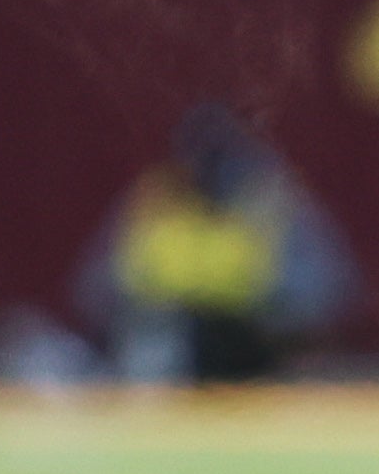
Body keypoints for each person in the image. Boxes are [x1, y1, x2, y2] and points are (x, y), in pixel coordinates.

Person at [76, 103, 352, 385]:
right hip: (166, 355)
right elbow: (96, 291)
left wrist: (262, 316)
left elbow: (326, 292)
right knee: (152, 349)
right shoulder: (156, 202)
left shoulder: (267, 203)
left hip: (252, 352)